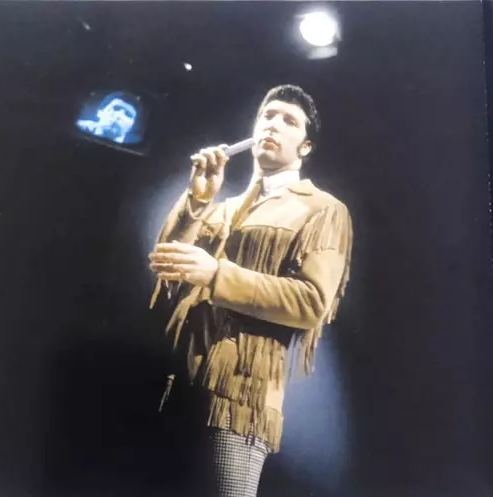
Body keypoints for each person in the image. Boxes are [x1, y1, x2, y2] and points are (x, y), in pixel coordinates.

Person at [148, 84, 353, 497]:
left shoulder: (322, 209)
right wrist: (197, 200)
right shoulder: (220, 208)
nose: (273, 125)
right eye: (267, 116)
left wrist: (216, 275)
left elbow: (312, 301)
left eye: (289, 121)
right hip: (180, 388)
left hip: (240, 396)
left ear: (305, 147)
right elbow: (167, 270)